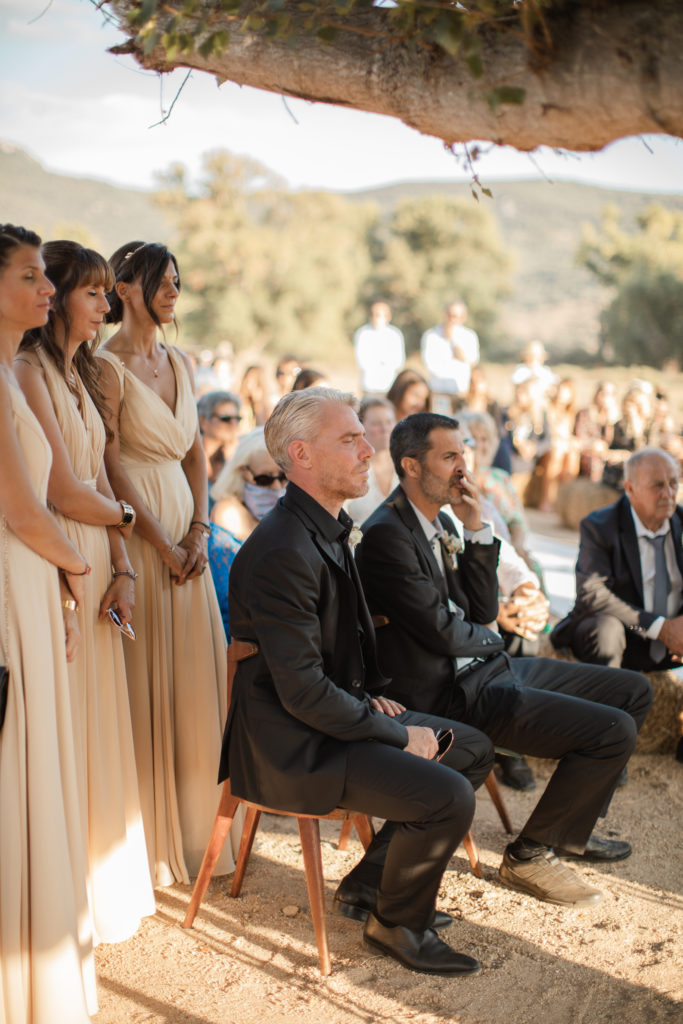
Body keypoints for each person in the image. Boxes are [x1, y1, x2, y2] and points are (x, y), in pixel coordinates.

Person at [219, 388, 495, 975]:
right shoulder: (284, 549)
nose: (369, 449)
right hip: (291, 743)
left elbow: (326, 661)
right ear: (302, 456)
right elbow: (301, 692)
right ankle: (398, 927)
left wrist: (371, 700)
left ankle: (371, 888)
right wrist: (397, 737)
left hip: (330, 715)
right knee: (447, 795)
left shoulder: (325, 526)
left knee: (470, 748)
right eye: (349, 439)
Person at [356, 412, 653, 908]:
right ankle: (531, 853)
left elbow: (481, 609)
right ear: (410, 465)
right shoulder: (387, 532)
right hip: (452, 695)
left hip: (487, 670)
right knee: (613, 730)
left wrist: (476, 532)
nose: (463, 468)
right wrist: (497, 635)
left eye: (463, 455)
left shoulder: (446, 520)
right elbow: (445, 631)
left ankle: (569, 828)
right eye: (449, 456)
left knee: (633, 691)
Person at [15, 240, 155, 943]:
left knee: (104, 716)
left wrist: (124, 563)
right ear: (63, 297)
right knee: (71, 722)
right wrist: (127, 518)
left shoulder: (81, 375)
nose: (106, 304)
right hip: (59, 554)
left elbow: (98, 476)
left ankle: (102, 882)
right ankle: (69, 888)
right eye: (94, 292)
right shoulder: (28, 370)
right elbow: (63, 490)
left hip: (101, 555)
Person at [97, 241, 232, 886]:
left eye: (179, 280)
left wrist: (200, 530)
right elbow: (109, 464)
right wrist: (159, 542)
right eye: (161, 281)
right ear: (124, 288)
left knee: (193, 682)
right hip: (140, 533)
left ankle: (199, 832)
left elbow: (196, 454)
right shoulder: (104, 366)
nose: (174, 291)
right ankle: (150, 841)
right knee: (146, 678)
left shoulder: (180, 359)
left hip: (189, 529)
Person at [0, 224, 96, 1023]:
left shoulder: (9, 369)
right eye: (31, 276)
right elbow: (26, 511)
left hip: (31, 575)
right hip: (14, 575)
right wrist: (79, 568)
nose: (47, 290)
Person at [551, 447, 683, 672]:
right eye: (657, 485)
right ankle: (610, 701)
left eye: (673, 483)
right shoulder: (600, 526)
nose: (668, 493)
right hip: (625, 634)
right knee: (606, 629)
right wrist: (660, 628)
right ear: (630, 489)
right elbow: (592, 593)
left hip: (672, 643)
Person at [211, 427, 287, 541]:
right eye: (264, 479)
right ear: (244, 472)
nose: (276, 486)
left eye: (283, 477)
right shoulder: (228, 513)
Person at [345, 398, 398, 525]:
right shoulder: (350, 468)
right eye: (376, 423)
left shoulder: (405, 466)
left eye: (389, 422)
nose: (384, 428)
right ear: (360, 427)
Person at [420, 301, 479, 411]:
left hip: (460, 392)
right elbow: (429, 363)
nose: (453, 319)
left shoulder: (469, 336)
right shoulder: (431, 335)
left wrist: (453, 341)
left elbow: (472, 361)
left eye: (457, 316)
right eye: (450, 315)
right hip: (439, 391)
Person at [353, 300, 405, 397]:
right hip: (368, 387)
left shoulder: (394, 335)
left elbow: (398, 362)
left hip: (389, 386)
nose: (376, 318)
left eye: (379, 314)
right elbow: (361, 361)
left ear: (388, 316)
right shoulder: (363, 333)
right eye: (373, 314)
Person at [196, 389, 242, 487]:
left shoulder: (238, 456)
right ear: (203, 421)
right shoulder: (190, 456)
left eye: (237, 419)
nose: (233, 424)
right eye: (225, 418)